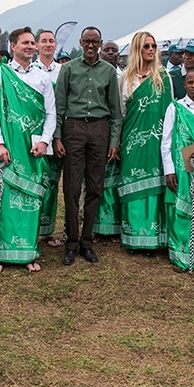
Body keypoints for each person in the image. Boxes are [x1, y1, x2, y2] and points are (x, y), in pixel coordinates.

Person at [0, 27, 56, 274]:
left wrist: (45, 141)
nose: (30, 46)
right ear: (12, 45)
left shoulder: (42, 77)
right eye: (25, 42)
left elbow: (51, 114)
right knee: (6, 200)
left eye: (32, 43)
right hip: (9, 149)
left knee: (31, 200)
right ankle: (0, 256)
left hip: (34, 149)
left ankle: (27, 253)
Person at [54, 26, 122, 265]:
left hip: (99, 130)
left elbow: (115, 112)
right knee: (71, 188)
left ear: (101, 43)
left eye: (95, 42)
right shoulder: (68, 69)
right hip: (73, 129)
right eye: (87, 42)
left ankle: (87, 242)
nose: (91, 46)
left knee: (95, 187)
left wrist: (113, 141)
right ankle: (71, 242)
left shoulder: (109, 71)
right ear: (81, 43)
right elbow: (59, 108)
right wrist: (57, 137)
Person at [118, 31, 172, 257]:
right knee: (133, 185)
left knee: (153, 187)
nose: (151, 49)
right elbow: (122, 111)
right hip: (132, 139)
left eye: (153, 46)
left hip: (156, 139)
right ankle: (133, 237)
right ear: (137, 50)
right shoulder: (125, 77)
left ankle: (151, 239)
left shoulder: (163, 76)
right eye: (146, 46)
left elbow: (170, 111)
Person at [161, 70, 194, 274]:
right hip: (180, 166)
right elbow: (166, 140)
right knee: (179, 210)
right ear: (183, 84)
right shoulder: (175, 107)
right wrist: (169, 170)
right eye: (189, 82)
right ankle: (179, 257)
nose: (193, 86)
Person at [32, 29, 63, 246]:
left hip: (55, 133)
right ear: (36, 45)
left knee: (52, 182)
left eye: (51, 41)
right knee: (34, 180)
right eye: (44, 41)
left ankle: (47, 229)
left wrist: (57, 136)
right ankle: (30, 228)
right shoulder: (29, 70)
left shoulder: (63, 71)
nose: (48, 44)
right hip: (31, 134)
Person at [95, 40, 123, 240]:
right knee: (96, 180)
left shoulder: (125, 77)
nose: (111, 53)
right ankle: (96, 225)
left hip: (118, 132)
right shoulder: (95, 72)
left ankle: (113, 226)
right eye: (107, 50)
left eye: (114, 50)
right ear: (101, 52)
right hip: (96, 131)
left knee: (114, 181)